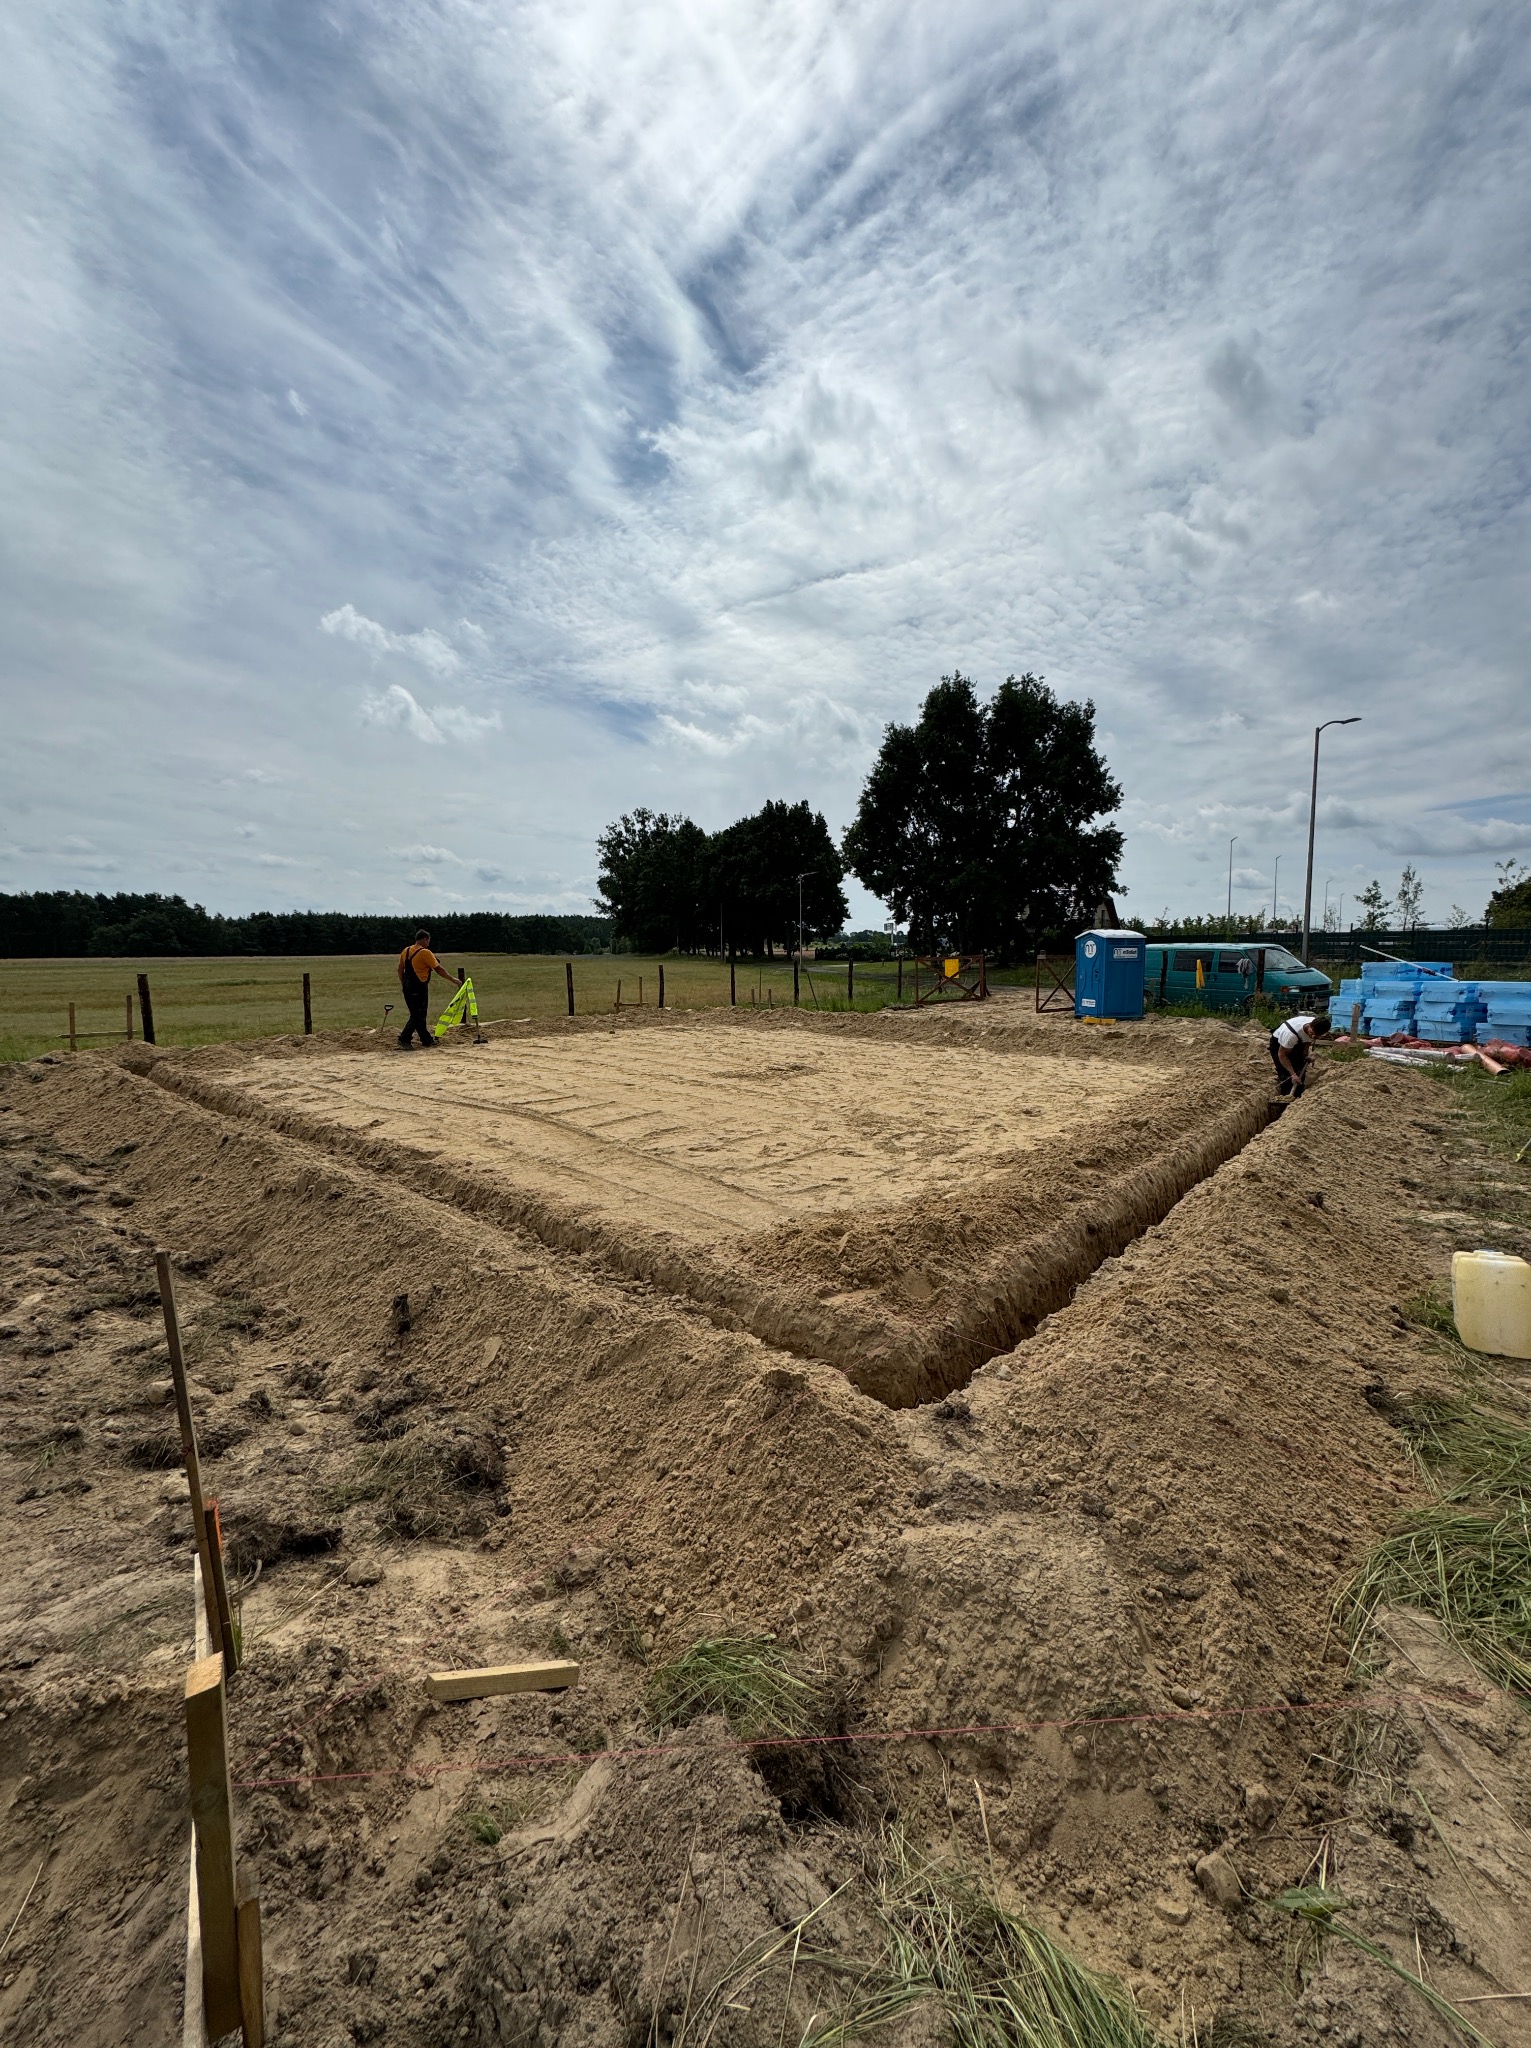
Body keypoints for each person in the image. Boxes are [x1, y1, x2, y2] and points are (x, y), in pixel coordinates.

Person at [396, 929, 457, 1049]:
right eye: (428, 940)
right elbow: (439, 969)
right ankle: (404, 1038)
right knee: (417, 1015)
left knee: (418, 1014)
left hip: (407, 987)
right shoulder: (425, 953)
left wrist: (403, 983)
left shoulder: (406, 951)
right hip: (419, 987)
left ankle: (426, 1039)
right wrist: (453, 980)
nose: (429, 943)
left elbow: (400, 969)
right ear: (425, 939)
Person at [1269, 1011, 1330, 1098]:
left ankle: (1298, 1096)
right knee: (1286, 1074)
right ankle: (1285, 1097)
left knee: (1300, 1069)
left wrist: (1305, 1055)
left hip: (1297, 1042)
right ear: (1310, 1025)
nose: (1313, 1037)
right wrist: (1293, 1074)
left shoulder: (1317, 1026)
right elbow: (1282, 1055)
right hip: (1279, 1044)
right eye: (1312, 1033)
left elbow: (1307, 1040)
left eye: (1316, 1036)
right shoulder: (1290, 1035)